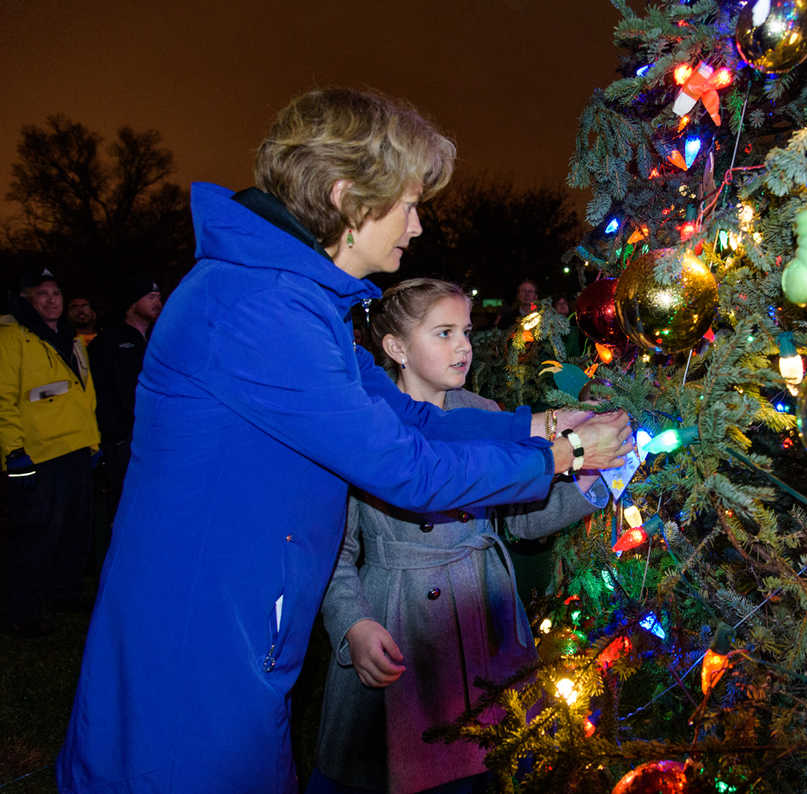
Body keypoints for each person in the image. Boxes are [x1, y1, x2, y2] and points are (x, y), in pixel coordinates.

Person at [58, 88, 632, 794]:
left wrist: (535, 426)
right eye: (408, 204)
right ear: (348, 198)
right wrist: (564, 457)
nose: (417, 227)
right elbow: (405, 467)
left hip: (241, 636)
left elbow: (410, 419)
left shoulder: (302, 305)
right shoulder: (260, 309)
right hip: (196, 646)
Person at [310, 279, 610, 794]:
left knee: (487, 765)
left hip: (482, 614)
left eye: (466, 331)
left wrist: (588, 485)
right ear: (396, 348)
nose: (464, 346)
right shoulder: (367, 424)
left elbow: (519, 519)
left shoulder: (487, 414)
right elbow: (336, 553)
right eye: (444, 332)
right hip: (401, 621)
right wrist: (354, 626)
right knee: (401, 769)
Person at [0, 266, 100, 636]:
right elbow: (3, 399)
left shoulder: (71, 337)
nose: (52, 300)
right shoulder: (12, 338)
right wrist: (13, 452)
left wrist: (92, 443)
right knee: (35, 535)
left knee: (74, 532)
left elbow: (84, 392)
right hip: (39, 454)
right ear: (25, 299)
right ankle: (22, 611)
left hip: (76, 450)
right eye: (42, 294)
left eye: (56, 292)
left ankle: (63, 594)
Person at [88, 274, 162, 514]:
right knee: (125, 504)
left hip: (155, 435)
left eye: (159, 297)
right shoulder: (108, 341)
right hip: (122, 441)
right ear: (132, 303)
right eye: (150, 297)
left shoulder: (158, 338)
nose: (157, 302)